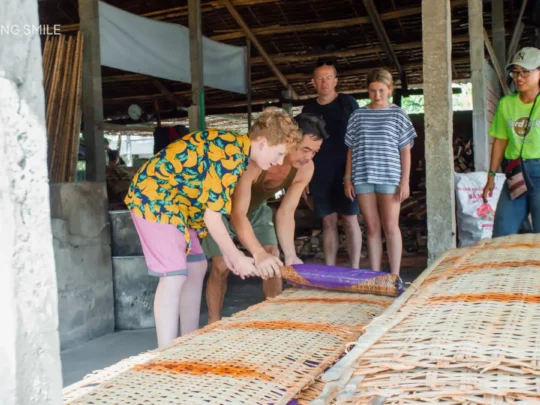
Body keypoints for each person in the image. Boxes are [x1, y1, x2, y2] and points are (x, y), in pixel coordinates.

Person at [124, 108, 301, 347]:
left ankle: (188, 341)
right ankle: (166, 351)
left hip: (180, 207)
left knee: (197, 266)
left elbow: (217, 211)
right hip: (154, 197)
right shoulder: (230, 154)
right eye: (279, 153)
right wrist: (237, 256)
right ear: (262, 142)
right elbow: (213, 217)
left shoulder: (237, 153)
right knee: (174, 275)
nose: (280, 162)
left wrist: (231, 254)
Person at [203, 113, 328, 323]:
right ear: (291, 140)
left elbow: (286, 212)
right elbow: (237, 213)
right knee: (221, 264)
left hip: (257, 209)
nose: (308, 157)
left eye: (315, 152)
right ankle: (213, 323)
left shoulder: (305, 169)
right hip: (222, 209)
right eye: (305, 149)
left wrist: (291, 254)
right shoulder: (257, 160)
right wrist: (256, 252)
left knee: (273, 257)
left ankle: (273, 319)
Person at [344, 68, 416, 276]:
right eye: (373, 91)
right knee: (372, 228)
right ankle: (375, 276)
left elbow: (405, 151)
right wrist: (348, 178)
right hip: (363, 177)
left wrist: (405, 181)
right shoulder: (357, 116)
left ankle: (394, 276)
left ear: (390, 90)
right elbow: (351, 149)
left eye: (381, 91)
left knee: (391, 227)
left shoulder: (398, 114)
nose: (377, 95)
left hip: (390, 177)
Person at [302, 60, 362, 268]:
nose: (324, 82)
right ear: (313, 82)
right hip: (318, 173)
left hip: (347, 172)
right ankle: (330, 269)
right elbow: (300, 145)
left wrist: (353, 175)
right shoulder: (308, 108)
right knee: (327, 221)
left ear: (335, 81)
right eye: (320, 78)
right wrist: (303, 177)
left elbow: (359, 139)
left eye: (328, 78)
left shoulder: (348, 104)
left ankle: (354, 268)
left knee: (349, 219)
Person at [483, 47, 540, 236]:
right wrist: (491, 176)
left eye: (525, 71)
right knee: (502, 233)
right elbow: (500, 141)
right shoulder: (506, 104)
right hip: (515, 175)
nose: (519, 77)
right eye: (516, 72)